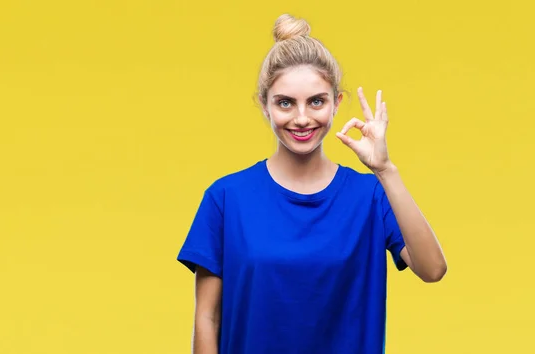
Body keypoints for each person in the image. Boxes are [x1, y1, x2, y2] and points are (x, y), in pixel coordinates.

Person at [176, 13, 447, 354]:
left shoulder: (371, 196)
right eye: (285, 103)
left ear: (337, 103)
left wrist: (386, 169)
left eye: (316, 101)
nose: (302, 118)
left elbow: (433, 269)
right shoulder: (226, 198)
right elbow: (207, 318)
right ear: (264, 106)